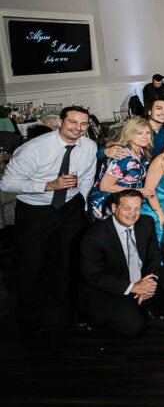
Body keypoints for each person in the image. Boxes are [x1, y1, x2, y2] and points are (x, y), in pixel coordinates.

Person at [1, 106, 96, 334]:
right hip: (36, 211)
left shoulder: (89, 146)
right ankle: (31, 321)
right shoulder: (34, 149)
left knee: (72, 263)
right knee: (33, 266)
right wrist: (47, 185)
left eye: (83, 124)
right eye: (73, 122)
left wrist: (81, 203)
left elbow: (87, 177)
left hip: (70, 208)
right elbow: (6, 184)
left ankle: (73, 313)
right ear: (61, 122)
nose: (78, 128)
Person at [79, 189, 164, 337]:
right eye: (126, 208)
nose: (132, 213)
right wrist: (133, 287)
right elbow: (93, 276)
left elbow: (153, 255)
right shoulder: (95, 236)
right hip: (114, 288)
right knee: (134, 329)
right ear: (114, 208)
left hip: (139, 278)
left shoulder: (146, 222)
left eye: (137, 208)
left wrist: (150, 283)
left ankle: (144, 304)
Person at [88, 117, 152, 220]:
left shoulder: (141, 152)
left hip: (124, 201)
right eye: (139, 133)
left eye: (148, 133)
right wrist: (139, 191)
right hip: (107, 203)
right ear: (129, 134)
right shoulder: (123, 157)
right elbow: (105, 186)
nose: (145, 137)